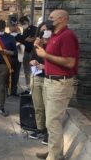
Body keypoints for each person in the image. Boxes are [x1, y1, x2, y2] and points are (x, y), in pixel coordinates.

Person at [35, 10, 79, 160]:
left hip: (60, 83)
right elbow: (51, 55)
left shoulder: (67, 36)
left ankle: (55, 157)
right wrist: (40, 45)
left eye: (51, 18)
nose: (49, 20)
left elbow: (70, 62)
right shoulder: (54, 35)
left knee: (52, 121)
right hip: (50, 81)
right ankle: (54, 151)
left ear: (61, 19)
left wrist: (45, 55)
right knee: (51, 121)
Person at [29, 22, 49, 145]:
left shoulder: (53, 45)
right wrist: (33, 62)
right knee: (38, 106)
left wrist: (45, 66)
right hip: (36, 76)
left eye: (46, 31)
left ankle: (48, 132)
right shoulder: (37, 44)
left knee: (48, 107)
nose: (43, 33)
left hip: (48, 78)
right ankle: (40, 129)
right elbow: (31, 57)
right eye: (41, 31)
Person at [20, 16, 37, 90]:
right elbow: (23, 39)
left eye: (24, 23)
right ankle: (28, 86)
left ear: (28, 21)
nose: (23, 25)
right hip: (25, 52)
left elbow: (37, 38)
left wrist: (32, 39)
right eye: (22, 24)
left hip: (33, 52)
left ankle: (35, 85)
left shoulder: (35, 28)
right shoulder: (24, 29)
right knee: (26, 70)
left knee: (35, 69)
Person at [8, 21, 24, 96]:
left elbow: (22, 48)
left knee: (16, 75)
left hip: (18, 58)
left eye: (14, 26)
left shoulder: (20, 36)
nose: (12, 28)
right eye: (11, 26)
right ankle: (7, 89)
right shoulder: (6, 36)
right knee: (7, 74)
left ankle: (14, 90)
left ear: (16, 27)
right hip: (8, 58)